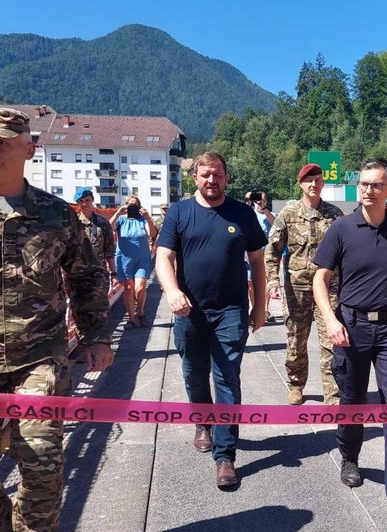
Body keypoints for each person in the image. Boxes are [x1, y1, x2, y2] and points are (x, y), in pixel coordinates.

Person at [0, 107, 113, 531]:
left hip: (39, 359)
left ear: (29, 149)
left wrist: (94, 337)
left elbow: (87, 276)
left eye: (2, 142)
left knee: (41, 464)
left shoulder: (56, 215)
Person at [313, 158, 387, 532]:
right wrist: (331, 320)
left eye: (376, 185)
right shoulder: (342, 229)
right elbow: (320, 278)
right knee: (352, 402)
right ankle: (349, 455)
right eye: (363, 184)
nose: (367, 190)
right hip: (352, 328)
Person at [155, 151, 267, 488]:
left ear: (227, 177)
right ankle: (203, 422)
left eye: (217, 174)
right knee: (193, 374)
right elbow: (163, 257)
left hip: (230, 311)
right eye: (205, 175)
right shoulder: (179, 213)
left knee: (228, 379)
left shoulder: (242, 213)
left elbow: (258, 263)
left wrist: (259, 305)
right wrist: (172, 291)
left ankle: (225, 456)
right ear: (195, 178)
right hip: (189, 311)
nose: (211, 180)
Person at [265, 163, 344, 406]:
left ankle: (333, 394)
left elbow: (345, 252)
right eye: (308, 180)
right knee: (296, 341)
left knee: (332, 342)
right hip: (296, 289)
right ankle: (296, 385)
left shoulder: (335, 215)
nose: (314, 184)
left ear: (323, 183)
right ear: (300, 184)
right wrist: (272, 281)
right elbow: (272, 251)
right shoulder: (288, 215)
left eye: (318, 180)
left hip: (329, 290)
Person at [110, 195, 157, 329]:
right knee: (129, 289)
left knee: (140, 287)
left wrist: (148, 217)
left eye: (135, 205)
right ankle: (131, 319)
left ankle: (140, 311)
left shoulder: (143, 220)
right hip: (125, 258)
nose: (133, 208)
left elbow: (152, 234)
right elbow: (108, 228)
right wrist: (118, 212)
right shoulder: (121, 220)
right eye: (130, 205)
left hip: (142, 258)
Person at [75, 188, 118, 285]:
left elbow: (109, 250)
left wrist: (113, 273)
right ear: (77, 203)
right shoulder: (72, 223)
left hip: (99, 274)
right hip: (77, 276)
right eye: (81, 201)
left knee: (100, 300)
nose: (84, 204)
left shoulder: (103, 223)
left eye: (87, 200)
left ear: (92, 200)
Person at [252, 190, 276, 322]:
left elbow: (275, 224)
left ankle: (265, 309)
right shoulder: (249, 214)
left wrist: (264, 209)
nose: (261, 202)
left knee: (266, 282)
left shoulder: (269, 214)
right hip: (249, 253)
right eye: (258, 200)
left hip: (265, 252)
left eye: (264, 200)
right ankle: (254, 306)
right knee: (250, 283)